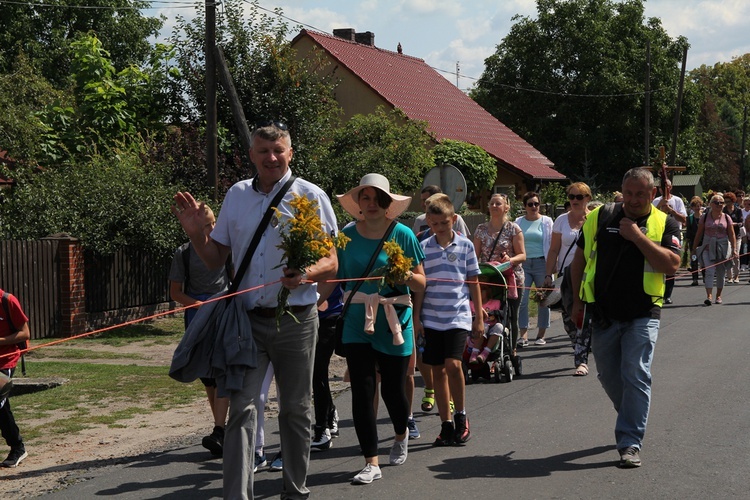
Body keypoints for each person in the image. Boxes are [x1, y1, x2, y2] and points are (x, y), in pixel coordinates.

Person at [172, 121, 338, 499]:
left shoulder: (310, 196)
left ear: (290, 153)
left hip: (296, 320)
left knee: (295, 409)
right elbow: (215, 260)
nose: (271, 157)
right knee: (242, 411)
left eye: (278, 150)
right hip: (246, 323)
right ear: (252, 155)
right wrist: (196, 234)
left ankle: (294, 491)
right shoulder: (237, 195)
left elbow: (331, 261)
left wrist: (305, 273)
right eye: (263, 151)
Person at [569, 167, 681, 468]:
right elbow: (579, 259)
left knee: (636, 373)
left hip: (644, 313)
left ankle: (630, 442)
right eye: (628, 193)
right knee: (609, 377)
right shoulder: (601, 216)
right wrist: (577, 301)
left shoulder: (665, 222)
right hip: (603, 313)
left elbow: (671, 265)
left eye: (640, 194)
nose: (632, 200)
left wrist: (637, 237)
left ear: (652, 194)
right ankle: (631, 412)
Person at [320, 173, 426, 485]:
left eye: (377, 198)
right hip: (356, 320)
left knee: (394, 390)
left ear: (387, 203)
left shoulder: (403, 234)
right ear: (358, 203)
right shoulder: (346, 236)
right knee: (363, 390)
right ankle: (371, 461)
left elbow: (422, 282)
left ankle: (400, 431)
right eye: (365, 198)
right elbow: (332, 277)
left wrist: (403, 273)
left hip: (394, 319)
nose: (371, 204)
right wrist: (316, 300)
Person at [413, 194, 482, 447]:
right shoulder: (423, 247)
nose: (440, 228)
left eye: (445, 223)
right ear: (428, 223)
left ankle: (461, 416)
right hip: (431, 317)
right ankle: (446, 425)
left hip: (457, 314)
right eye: (435, 224)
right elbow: (419, 287)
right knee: (437, 370)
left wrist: (478, 317)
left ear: (453, 219)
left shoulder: (465, 246)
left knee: (453, 365)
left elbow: (474, 280)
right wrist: (417, 316)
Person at [168, 204, 231, 457]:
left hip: (224, 312)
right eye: (205, 225)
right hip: (198, 315)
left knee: (223, 368)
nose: (211, 229)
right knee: (208, 376)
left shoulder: (227, 250)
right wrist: (198, 305)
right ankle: (220, 426)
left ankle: (220, 428)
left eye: (213, 223)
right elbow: (175, 293)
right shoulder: (183, 254)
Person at [543, 182, 592, 376]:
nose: (574, 201)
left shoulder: (593, 219)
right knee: (568, 320)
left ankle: (581, 361)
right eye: (571, 197)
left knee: (583, 319)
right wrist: (548, 275)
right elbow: (554, 249)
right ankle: (580, 346)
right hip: (565, 277)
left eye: (579, 197)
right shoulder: (561, 220)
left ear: (587, 198)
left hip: (588, 276)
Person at [473, 193, 526, 350]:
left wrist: (510, 260)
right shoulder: (480, 229)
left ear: (506, 208)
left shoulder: (513, 228)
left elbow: (522, 255)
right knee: (488, 314)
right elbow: (474, 256)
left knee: (511, 315)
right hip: (488, 279)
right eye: (492, 204)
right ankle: (487, 348)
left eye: (498, 204)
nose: (494, 206)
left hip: (511, 278)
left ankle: (512, 350)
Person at [515, 191, 553, 346]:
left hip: (541, 263)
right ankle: (523, 335)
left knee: (543, 299)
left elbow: (552, 244)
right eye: (530, 204)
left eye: (536, 203)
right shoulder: (518, 221)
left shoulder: (547, 221)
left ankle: (541, 335)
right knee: (522, 300)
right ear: (525, 206)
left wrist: (551, 266)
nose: (534, 207)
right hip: (524, 264)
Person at [310, 284, 343, 451]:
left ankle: (322, 429)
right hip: (306, 316)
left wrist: (315, 302)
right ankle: (329, 415)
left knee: (317, 370)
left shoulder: (332, 257)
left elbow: (332, 278)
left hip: (330, 315)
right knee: (317, 372)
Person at [0, 289, 30, 468]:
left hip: (6, 360)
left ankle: (17, 447)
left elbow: (25, 333)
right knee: (2, 407)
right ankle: (18, 447)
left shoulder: (8, 301)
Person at [693, 193, 737, 305]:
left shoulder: (727, 218)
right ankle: (709, 296)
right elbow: (699, 233)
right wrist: (694, 248)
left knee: (721, 272)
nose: (719, 205)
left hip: (722, 247)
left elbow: (732, 235)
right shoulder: (705, 217)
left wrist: (734, 249)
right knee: (709, 271)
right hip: (708, 247)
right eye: (717, 202)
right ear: (711, 204)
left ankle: (718, 295)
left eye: (722, 203)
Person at [652, 179, 687, 304]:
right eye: (662, 187)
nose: (665, 188)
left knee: (670, 265)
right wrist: (659, 206)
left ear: (671, 187)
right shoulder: (656, 201)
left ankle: (668, 295)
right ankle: (657, 292)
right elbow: (649, 216)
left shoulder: (677, 201)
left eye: (667, 186)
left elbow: (684, 219)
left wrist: (671, 210)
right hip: (659, 235)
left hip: (673, 235)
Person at [722, 192, 743, 282]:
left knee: (736, 256)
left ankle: (736, 276)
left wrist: (733, 224)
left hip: (737, 236)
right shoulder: (723, 211)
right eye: (726, 202)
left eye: (729, 201)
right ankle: (729, 276)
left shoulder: (738, 210)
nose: (727, 203)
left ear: (733, 201)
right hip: (726, 236)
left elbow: (741, 223)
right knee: (728, 256)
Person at [684, 196, 705, 286]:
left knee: (704, 260)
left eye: (699, 205)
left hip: (703, 241)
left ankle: (705, 277)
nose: (697, 207)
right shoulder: (690, 218)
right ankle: (695, 279)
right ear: (692, 207)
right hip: (693, 242)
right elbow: (688, 231)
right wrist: (687, 244)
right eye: (695, 206)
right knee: (694, 260)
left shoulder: (704, 217)